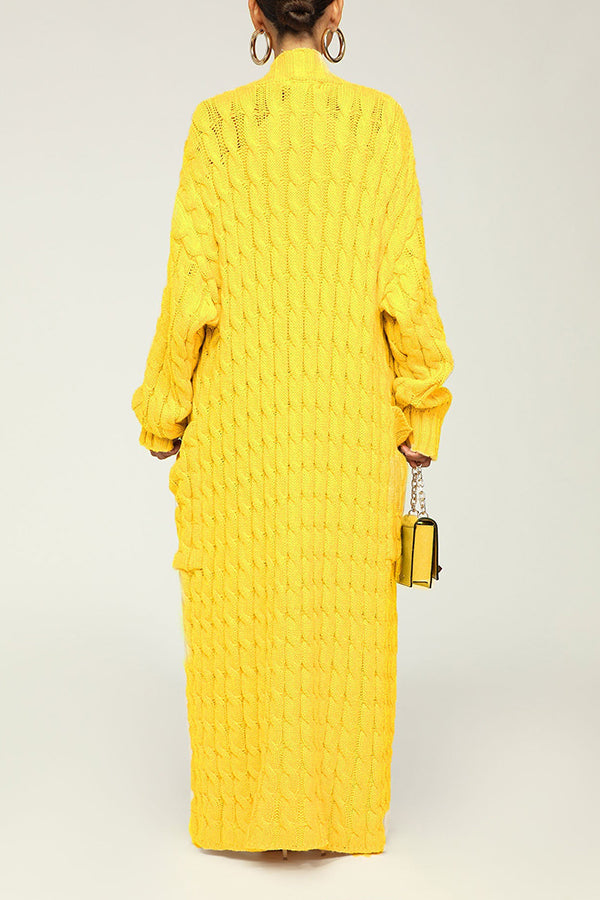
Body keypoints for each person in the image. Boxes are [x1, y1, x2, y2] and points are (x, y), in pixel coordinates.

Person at [130, 0, 454, 859]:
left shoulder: (217, 129)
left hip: (240, 431)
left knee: (241, 610)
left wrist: (163, 413)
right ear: (335, 11)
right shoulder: (381, 127)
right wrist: (422, 407)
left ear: (256, 11)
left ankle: (242, 813)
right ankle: (340, 813)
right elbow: (409, 288)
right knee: (344, 617)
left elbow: (189, 293)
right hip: (350, 430)